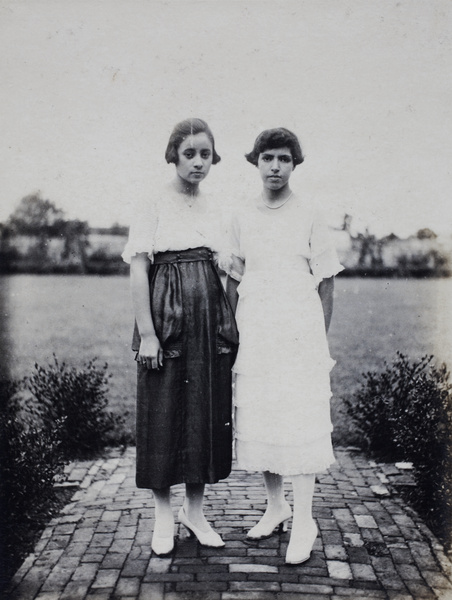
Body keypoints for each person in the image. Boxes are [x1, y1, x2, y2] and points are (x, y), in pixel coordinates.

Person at [225, 127, 343, 564]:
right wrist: (231, 331)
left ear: (295, 164)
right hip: (255, 328)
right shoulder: (241, 214)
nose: (275, 167)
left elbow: (326, 280)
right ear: (256, 162)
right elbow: (234, 277)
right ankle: (276, 506)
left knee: (298, 417)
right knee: (263, 415)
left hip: (298, 330)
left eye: (284, 159)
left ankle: (305, 520)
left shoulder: (309, 212)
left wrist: (317, 337)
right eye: (267, 158)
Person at [122, 118, 238, 556]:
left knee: (203, 413)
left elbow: (227, 270)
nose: (197, 162)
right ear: (173, 154)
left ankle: (195, 512)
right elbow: (138, 269)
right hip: (165, 315)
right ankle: (163, 516)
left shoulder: (217, 207)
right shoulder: (152, 201)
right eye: (189, 153)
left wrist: (228, 321)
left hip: (208, 318)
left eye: (205, 154)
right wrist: (148, 333)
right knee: (163, 411)